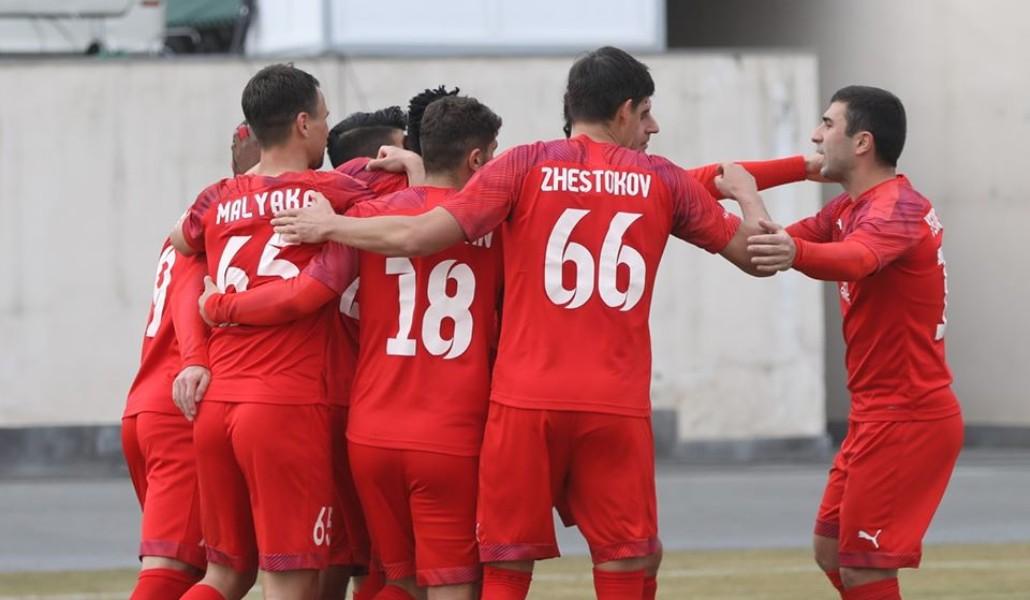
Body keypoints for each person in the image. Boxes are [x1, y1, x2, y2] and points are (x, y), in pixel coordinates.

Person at [270, 46, 792, 600]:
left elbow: (420, 233)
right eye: (646, 114)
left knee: (504, 563)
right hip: (613, 403)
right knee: (627, 557)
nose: (652, 127)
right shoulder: (661, 178)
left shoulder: (524, 165)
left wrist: (332, 227)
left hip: (520, 403)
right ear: (623, 111)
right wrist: (748, 197)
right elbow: (756, 257)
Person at [202, 94, 504, 600]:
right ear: (476, 158)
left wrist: (218, 307)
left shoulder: (360, 216)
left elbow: (192, 239)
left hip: (368, 426)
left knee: (386, 578)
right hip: (444, 427)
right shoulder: (494, 220)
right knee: (444, 583)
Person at [169, 63, 382, 600]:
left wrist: (216, 307)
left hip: (217, 402)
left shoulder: (217, 196)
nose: (328, 129)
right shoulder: (332, 190)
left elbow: (181, 241)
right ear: (303, 123)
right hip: (284, 403)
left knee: (224, 576)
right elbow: (405, 204)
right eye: (325, 117)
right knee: (290, 580)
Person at [745, 85, 963, 600]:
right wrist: (705, 201)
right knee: (830, 550)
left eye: (827, 124)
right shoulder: (851, 206)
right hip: (874, 414)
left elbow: (857, 260)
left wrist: (778, 234)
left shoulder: (897, 207)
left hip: (908, 416)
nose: (814, 136)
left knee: (865, 568)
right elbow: (766, 246)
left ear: (862, 142)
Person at [120, 121, 261, 600]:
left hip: (149, 403)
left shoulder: (199, 216)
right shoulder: (228, 220)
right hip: (181, 407)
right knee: (178, 572)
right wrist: (195, 360)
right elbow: (188, 293)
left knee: (228, 569)